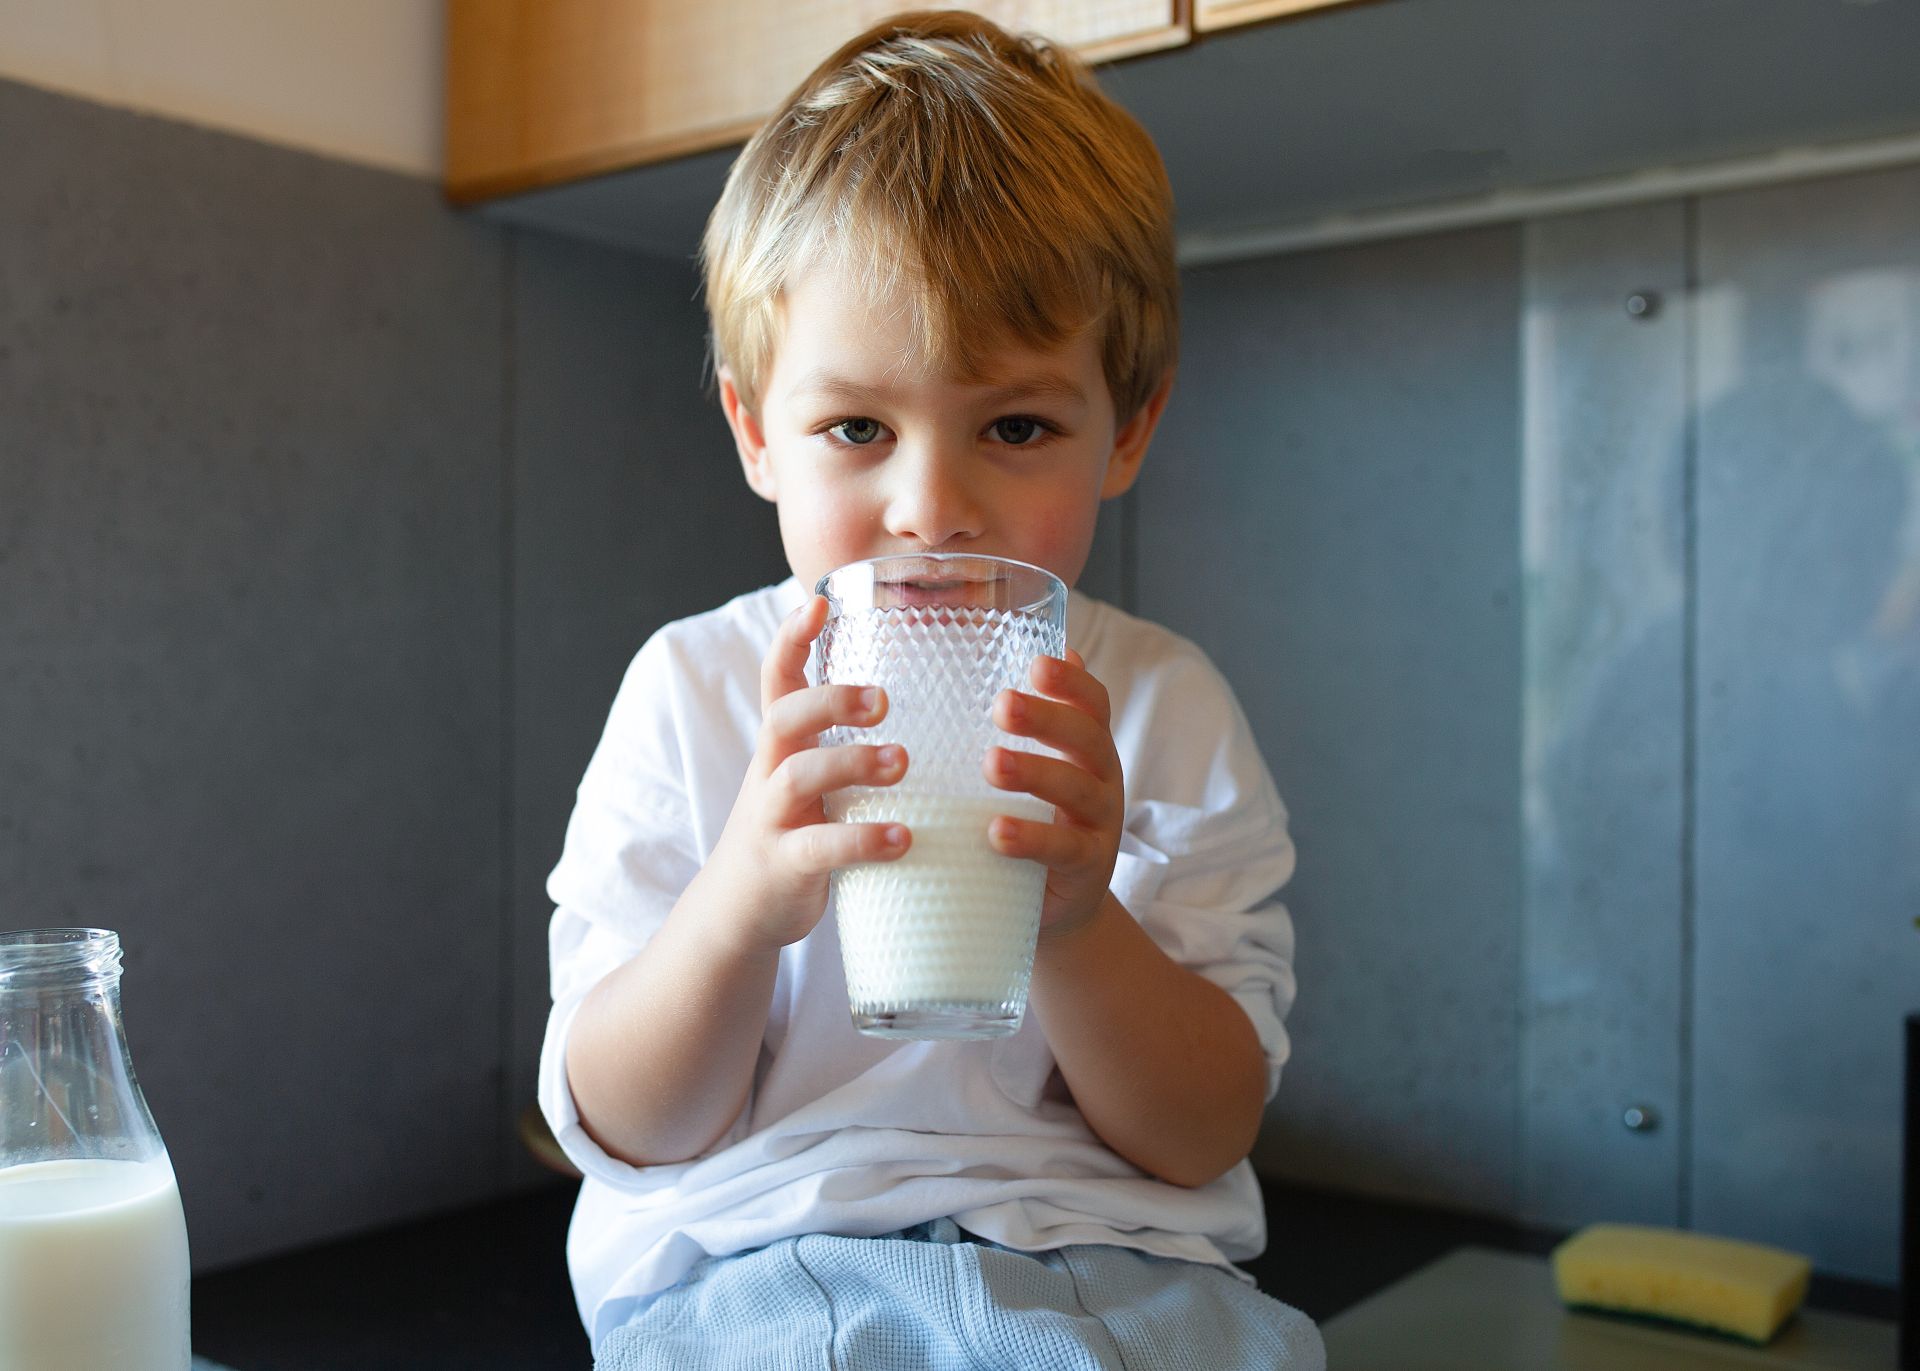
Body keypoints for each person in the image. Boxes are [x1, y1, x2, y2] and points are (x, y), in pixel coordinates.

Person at [538, 11, 1323, 1368]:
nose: (931, 509)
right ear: (757, 433)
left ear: (1125, 431)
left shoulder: (1163, 709)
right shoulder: (693, 692)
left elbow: (1202, 1134)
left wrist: (1078, 919)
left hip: (1116, 1267)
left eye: (1015, 426)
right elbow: (623, 1123)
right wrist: (738, 905)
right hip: (760, 1261)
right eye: (857, 427)